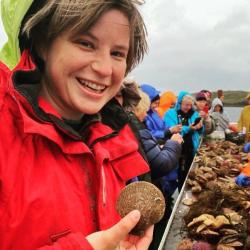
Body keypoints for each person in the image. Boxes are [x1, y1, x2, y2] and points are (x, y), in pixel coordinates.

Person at [0, 1, 154, 249]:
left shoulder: (119, 138)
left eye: (117, 53)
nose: (104, 69)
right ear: (42, 43)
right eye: (86, 44)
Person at [117, 84, 182, 250]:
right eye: (145, 109)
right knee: (147, 233)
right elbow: (159, 163)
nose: (146, 113)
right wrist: (172, 144)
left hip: (141, 191)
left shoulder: (134, 125)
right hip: (141, 194)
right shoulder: (134, 127)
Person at [164, 91, 204, 191]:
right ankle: (170, 198)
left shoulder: (194, 114)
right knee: (173, 177)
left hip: (191, 150)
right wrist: (189, 128)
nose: (188, 107)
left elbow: (200, 131)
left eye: (190, 105)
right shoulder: (170, 114)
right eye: (186, 105)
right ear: (180, 103)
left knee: (188, 175)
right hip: (176, 151)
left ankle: (184, 193)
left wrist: (199, 127)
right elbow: (174, 131)